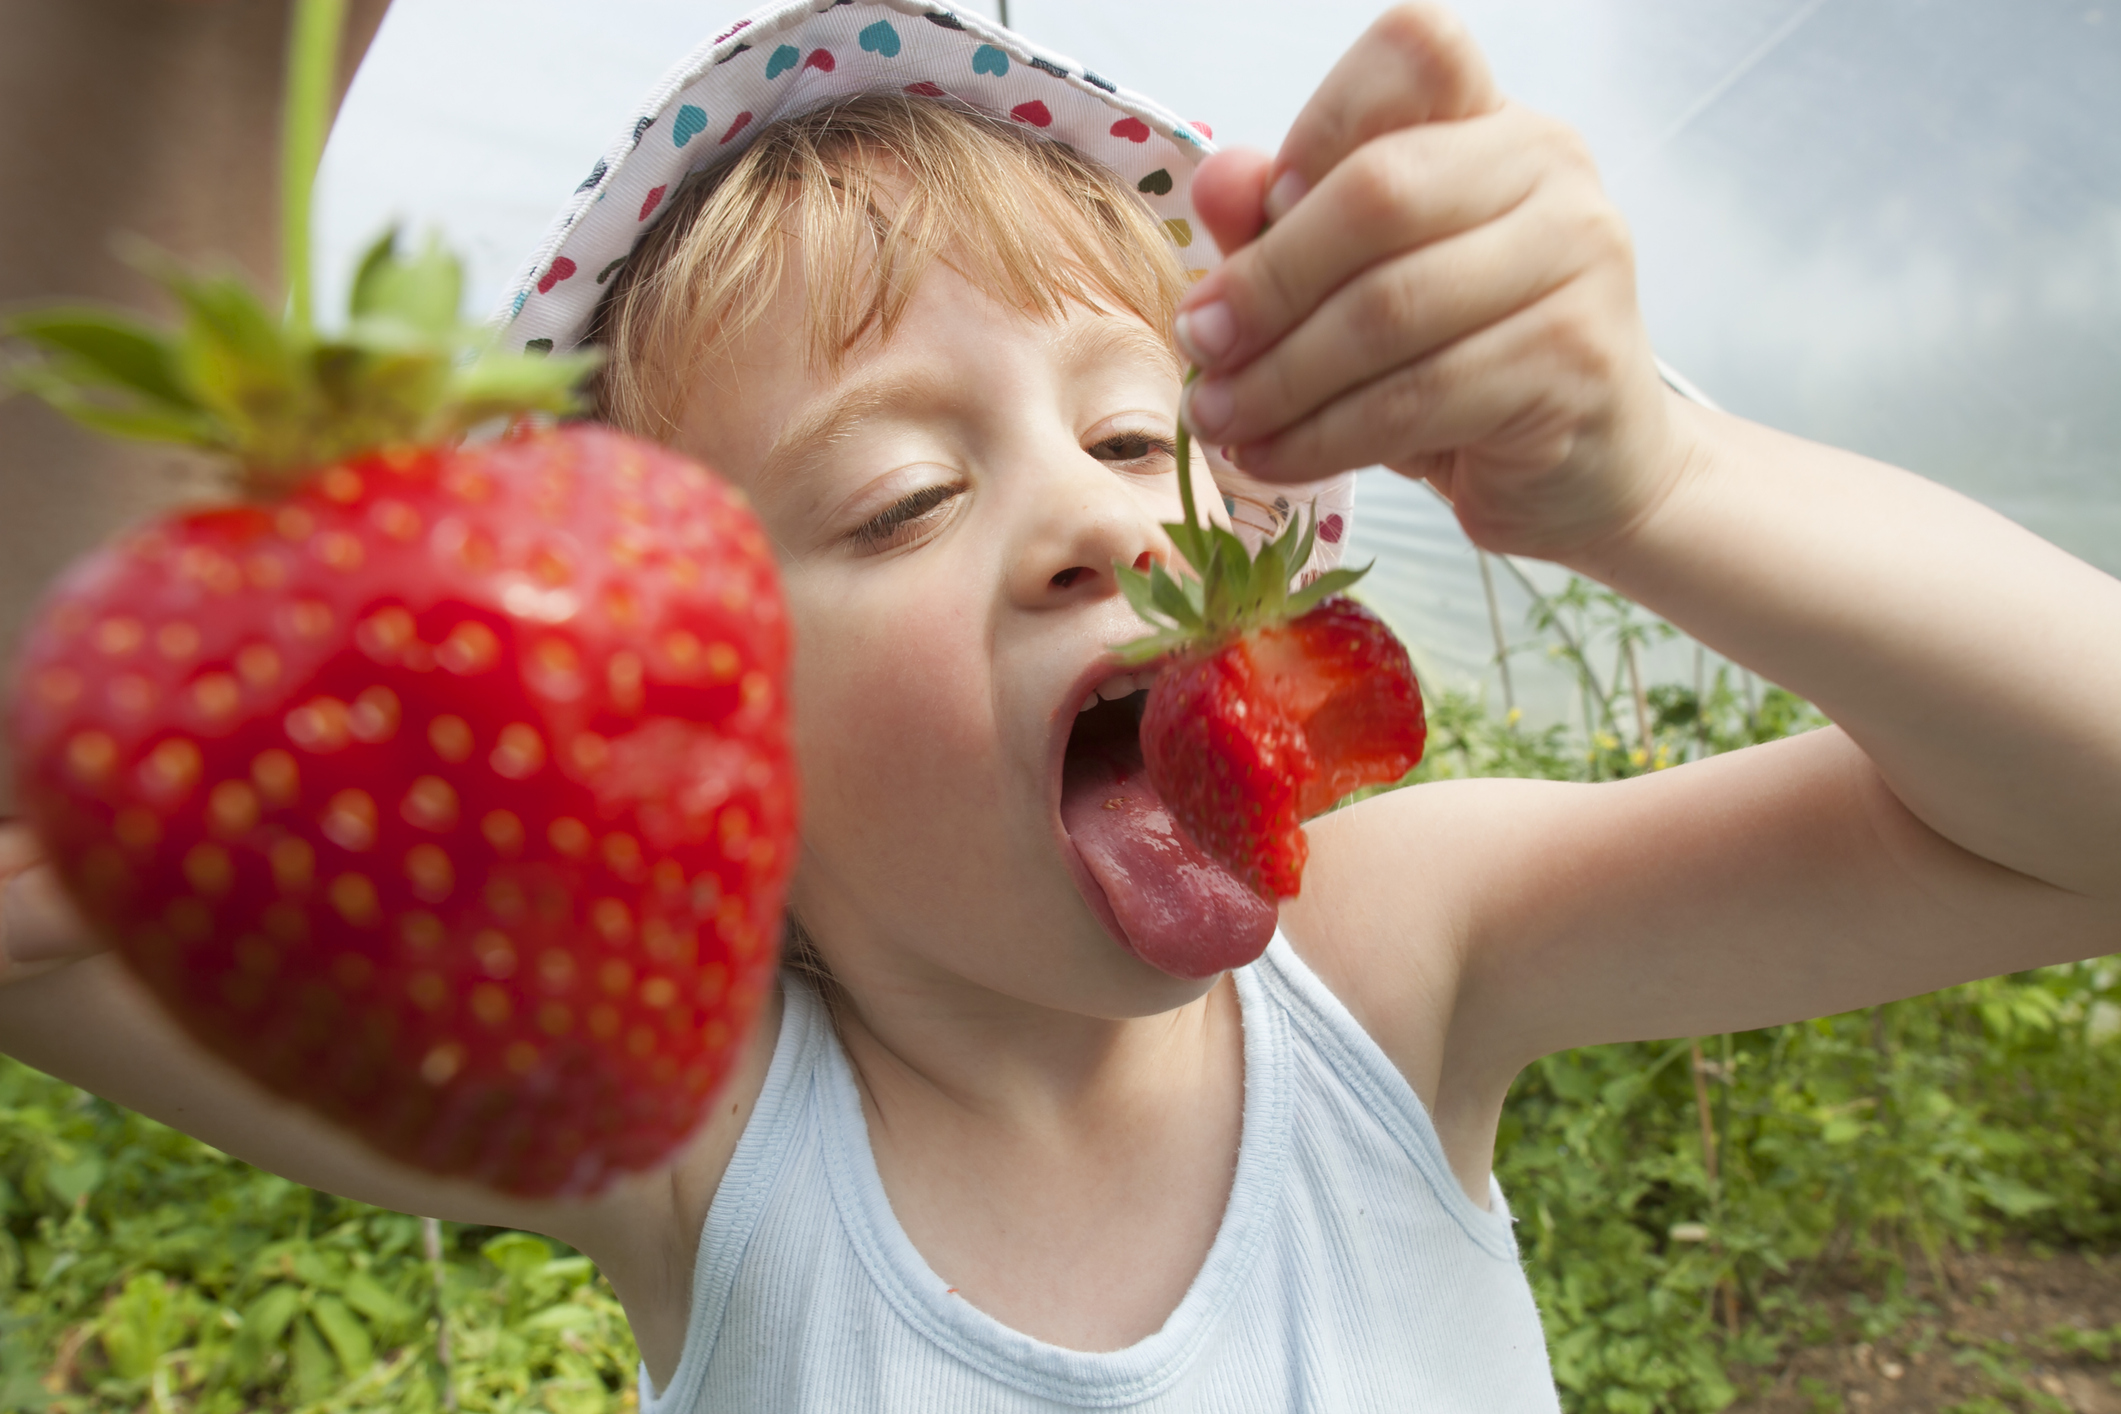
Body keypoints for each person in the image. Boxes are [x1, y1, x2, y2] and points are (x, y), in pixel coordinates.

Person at [4, 2, 2118, 1408]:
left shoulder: (1390, 961)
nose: (1084, 524)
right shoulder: (696, 1139)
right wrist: (152, 66)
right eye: (899, 492)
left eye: (1132, 435)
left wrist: (1661, 486)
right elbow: (60, 836)